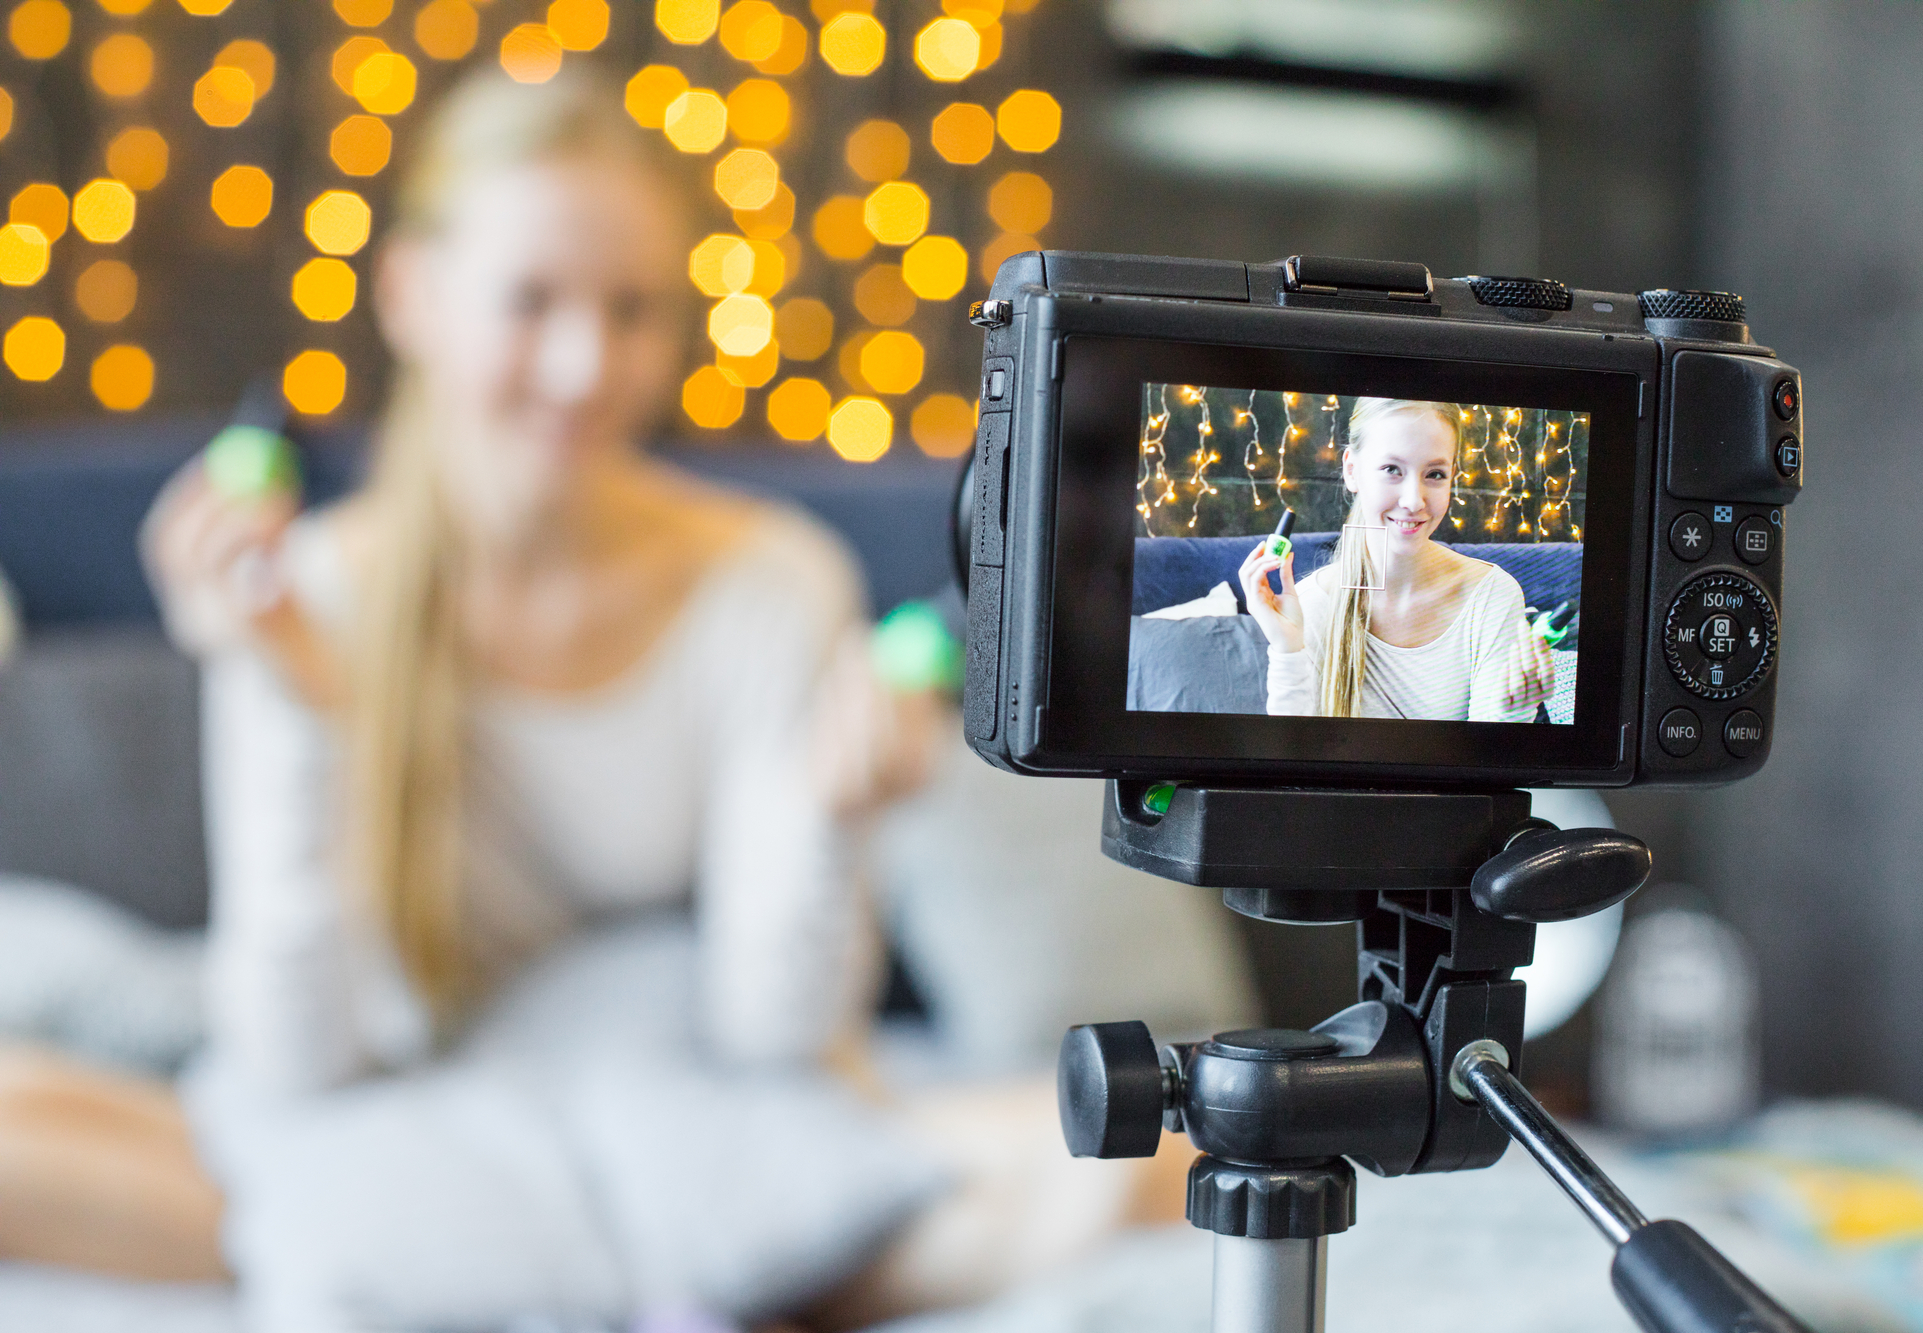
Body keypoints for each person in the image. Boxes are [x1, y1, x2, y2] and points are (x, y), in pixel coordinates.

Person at [0, 69, 1190, 1331]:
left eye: (630, 311)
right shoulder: (309, 589)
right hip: (395, 1095)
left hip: (676, 1102)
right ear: (411, 296)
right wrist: (291, 702)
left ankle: (476, 1254)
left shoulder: (769, 582)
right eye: (531, 302)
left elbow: (772, 1034)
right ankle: (569, 1252)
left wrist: (833, 817)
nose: (584, 365)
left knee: (1162, 1151)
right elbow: (304, 1054)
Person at [1239, 397, 1555, 721]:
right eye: (1392, 470)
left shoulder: (1492, 597)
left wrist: (1512, 713)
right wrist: (1288, 650)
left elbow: (1488, 764)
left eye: (1434, 474)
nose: (1413, 501)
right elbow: (1294, 760)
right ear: (1352, 471)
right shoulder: (1307, 607)